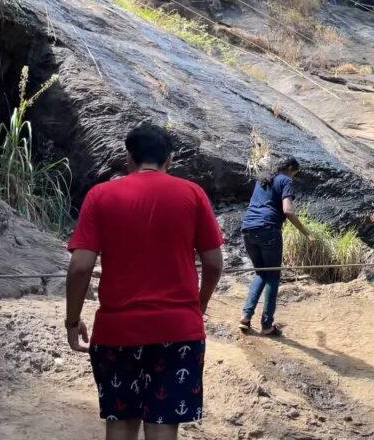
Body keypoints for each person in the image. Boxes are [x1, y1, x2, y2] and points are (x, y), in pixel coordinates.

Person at [65, 124, 224, 440]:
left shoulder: (100, 195)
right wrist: (199, 304)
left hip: (117, 333)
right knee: (163, 424)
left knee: (121, 423)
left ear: (128, 158)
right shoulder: (193, 194)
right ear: (170, 160)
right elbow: (213, 262)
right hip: (179, 331)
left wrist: (72, 321)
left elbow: (80, 267)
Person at [239, 156, 310, 337]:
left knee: (261, 273)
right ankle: (267, 325)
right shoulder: (285, 180)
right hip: (268, 229)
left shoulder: (263, 180)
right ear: (291, 169)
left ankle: (246, 317)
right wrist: (306, 233)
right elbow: (287, 210)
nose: (294, 177)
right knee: (273, 277)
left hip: (248, 228)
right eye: (295, 173)